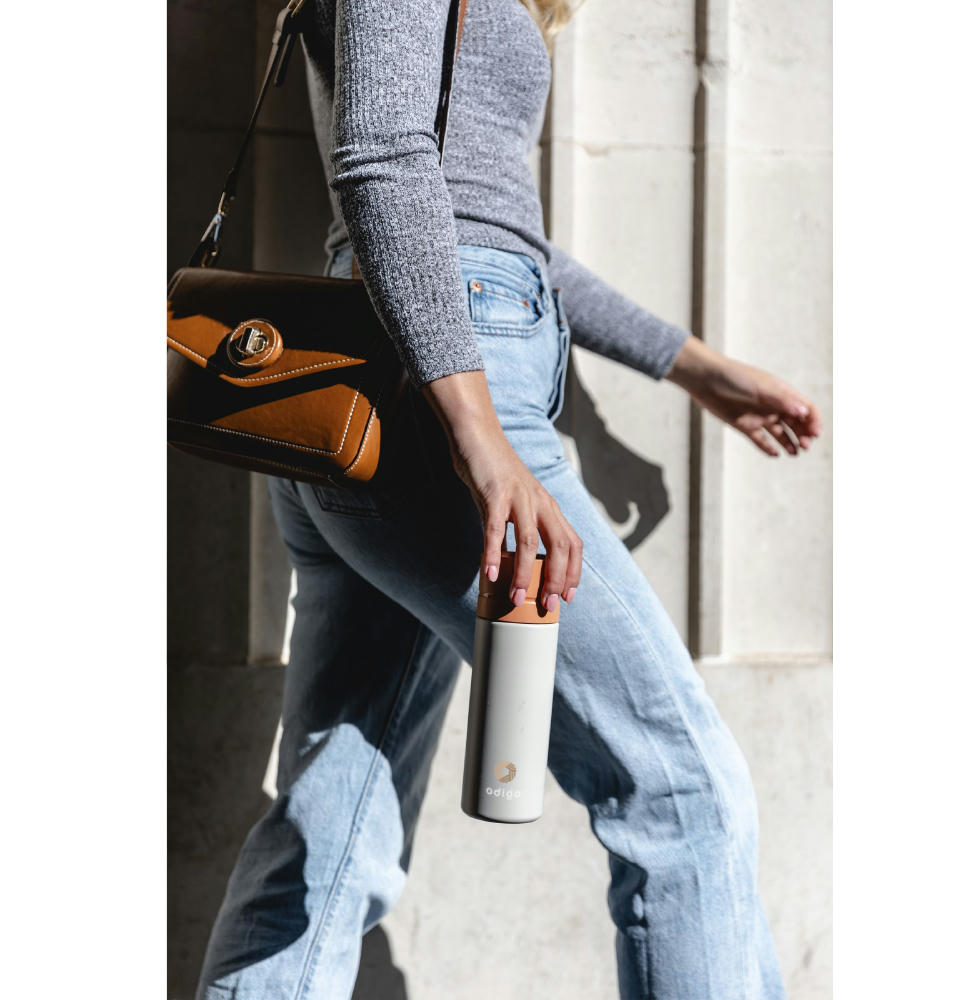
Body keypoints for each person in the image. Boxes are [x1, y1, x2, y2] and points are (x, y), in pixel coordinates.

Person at [196, 1, 822, 997]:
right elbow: (381, 157)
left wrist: (694, 366)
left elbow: (500, 230)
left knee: (333, 829)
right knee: (682, 793)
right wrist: (480, 438)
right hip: (440, 405)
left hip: (381, 398)